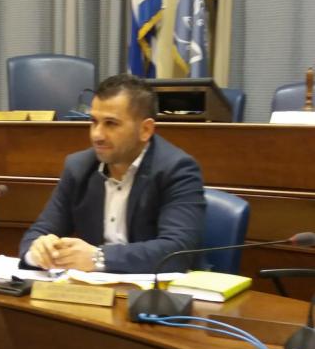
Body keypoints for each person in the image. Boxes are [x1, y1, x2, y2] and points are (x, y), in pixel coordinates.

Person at [19, 73, 206, 273]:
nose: (97, 134)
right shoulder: (79, 167)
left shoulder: (177, 169)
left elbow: (177, 252)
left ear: (145, 130)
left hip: (159, 289)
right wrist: (39, 251)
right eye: (94, 122)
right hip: (93, 288)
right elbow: (37, 234)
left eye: (111, 123)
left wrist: (99, 257)